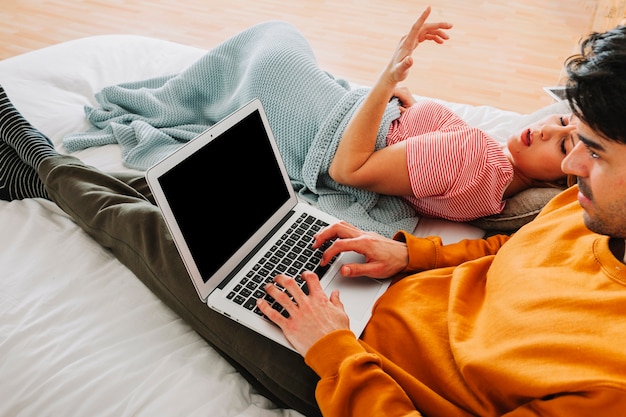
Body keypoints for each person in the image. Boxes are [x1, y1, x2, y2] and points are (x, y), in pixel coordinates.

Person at [1, 6, 624, 417]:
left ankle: (35, 165)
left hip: (361, 374)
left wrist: (331, 350)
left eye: (591, 151)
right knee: (211, 220)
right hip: (375, 300)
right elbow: (517, 252)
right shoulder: (593, 206)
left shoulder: (611, 384)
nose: (571, 167)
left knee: (167, 244)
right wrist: (411, 253)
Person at [35, 6, 573, 228]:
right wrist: (413, 107)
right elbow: (418, 160)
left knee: (276, 40)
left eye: (565, 144)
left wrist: (387, 79)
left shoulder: (477, 157)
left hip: (319, 130)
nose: (549, 125)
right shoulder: (489, 188)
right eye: (562, 121)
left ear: (560, 179)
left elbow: (350, 171)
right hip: (344, 123)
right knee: (277, 44)